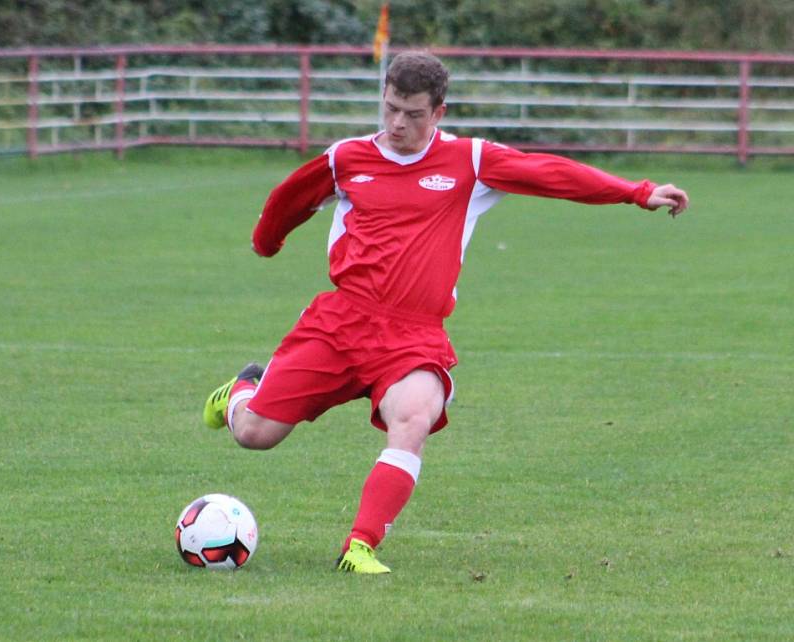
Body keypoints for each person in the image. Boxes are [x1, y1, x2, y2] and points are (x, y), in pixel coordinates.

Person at [202, 51, 689, 574]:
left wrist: (636, 193)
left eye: (412, 114)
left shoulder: (471, 161)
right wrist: (265, 241)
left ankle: (360, 545)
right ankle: (241, 394)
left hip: (414, 335)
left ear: (439, 113)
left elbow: (551, 174)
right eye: (389, 109)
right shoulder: (347, 158)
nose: (396, 124)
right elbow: (289, 198)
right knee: (255, 435)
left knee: (412, 417)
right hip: (341, 323)